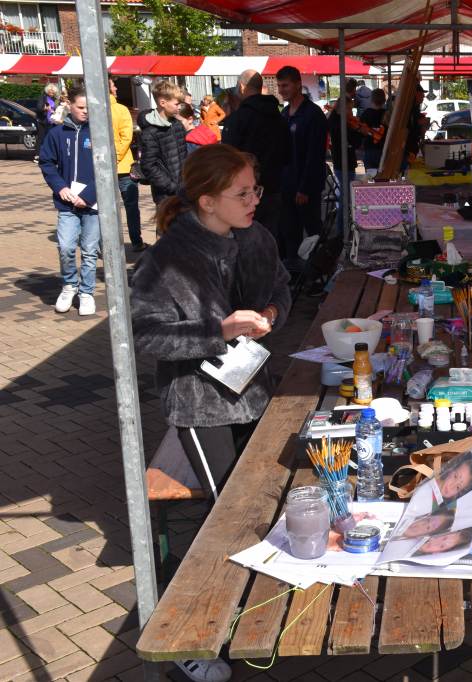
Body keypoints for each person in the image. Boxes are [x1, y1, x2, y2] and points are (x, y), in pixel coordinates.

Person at [131, 143, 288, 682]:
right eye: (242, 193)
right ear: (206, 200)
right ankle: (187, 633)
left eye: (255, 189)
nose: (253, 200)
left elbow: (281, 287)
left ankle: (242, 610)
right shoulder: (167, 258)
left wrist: (271, 312)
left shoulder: (256, 237)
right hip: (201, 405)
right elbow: (144, 334)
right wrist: (218, 331)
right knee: (229, 519)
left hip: (253, 392)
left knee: (259, 505)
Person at [39, 85, 100, 317]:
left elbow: (106, 167)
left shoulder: (98, 133)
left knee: (90, 250)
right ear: (70, 105)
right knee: (65, 247)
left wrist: (89, 196)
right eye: (81, 107)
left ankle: (86, 292)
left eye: (88, 107)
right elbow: (47, 162)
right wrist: (61, 187)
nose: (85, 111)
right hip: (66, 203)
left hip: (92, 204)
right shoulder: (57, 133)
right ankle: (69, 285)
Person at [221, 71, 291, 236]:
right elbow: (288, 154)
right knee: (271, 237)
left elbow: (227, 157)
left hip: (244, 193)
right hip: (275, 188)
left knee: (246, 239)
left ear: (242, 87)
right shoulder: (279, 118)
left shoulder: (239, 118)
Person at [277, 65, 327, 260]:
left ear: (298, 85)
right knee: (290, 232)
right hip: (287, 185)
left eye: (285, 85)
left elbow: (315, 154)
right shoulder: (284, 113)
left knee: (313, 232)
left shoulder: (313, 114)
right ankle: (293, 270)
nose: (281, 90)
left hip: (307, 188)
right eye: (279, 86)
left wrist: (305, 188)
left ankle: (319, 270)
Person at [139, 79, 188, 208]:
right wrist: (171, 187)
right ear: (162, 103)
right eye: (176, 104)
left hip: (184, 191)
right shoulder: (150, 132)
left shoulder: (177, 125)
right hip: (166, 196)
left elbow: (184, 156)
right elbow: (148, 166)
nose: (179, 107)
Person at [109, 79, 145, 251]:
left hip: (107, 167)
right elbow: (127, 137)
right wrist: (115, 158)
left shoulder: (92, 110)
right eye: (113, 85)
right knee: (131, 207)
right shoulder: (120, 109)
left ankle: (108, 244)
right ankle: (136, 242)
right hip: (122, 166)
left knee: (106, 208)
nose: (116, 88)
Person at [359, 88, 388, 173]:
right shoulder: (387, 114)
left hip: (369, 150)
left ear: (371, 99)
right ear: (384, 100)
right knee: (384, 177)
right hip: (384, 150)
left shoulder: (365, 114)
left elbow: (360, 132)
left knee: (371, 177)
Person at [35, 83, 60, 156]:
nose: (52, 92)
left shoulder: (55, 99)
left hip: (51, 122)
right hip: (43, 121)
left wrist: (54, 111)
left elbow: (55, 109)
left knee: (50, 138)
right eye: (50, 90)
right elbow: (38, 108)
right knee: (41, 138)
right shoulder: (43, 97)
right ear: (47, 91)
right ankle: (37, 155)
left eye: (53, 91)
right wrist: (45, 108)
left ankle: (47, 154)